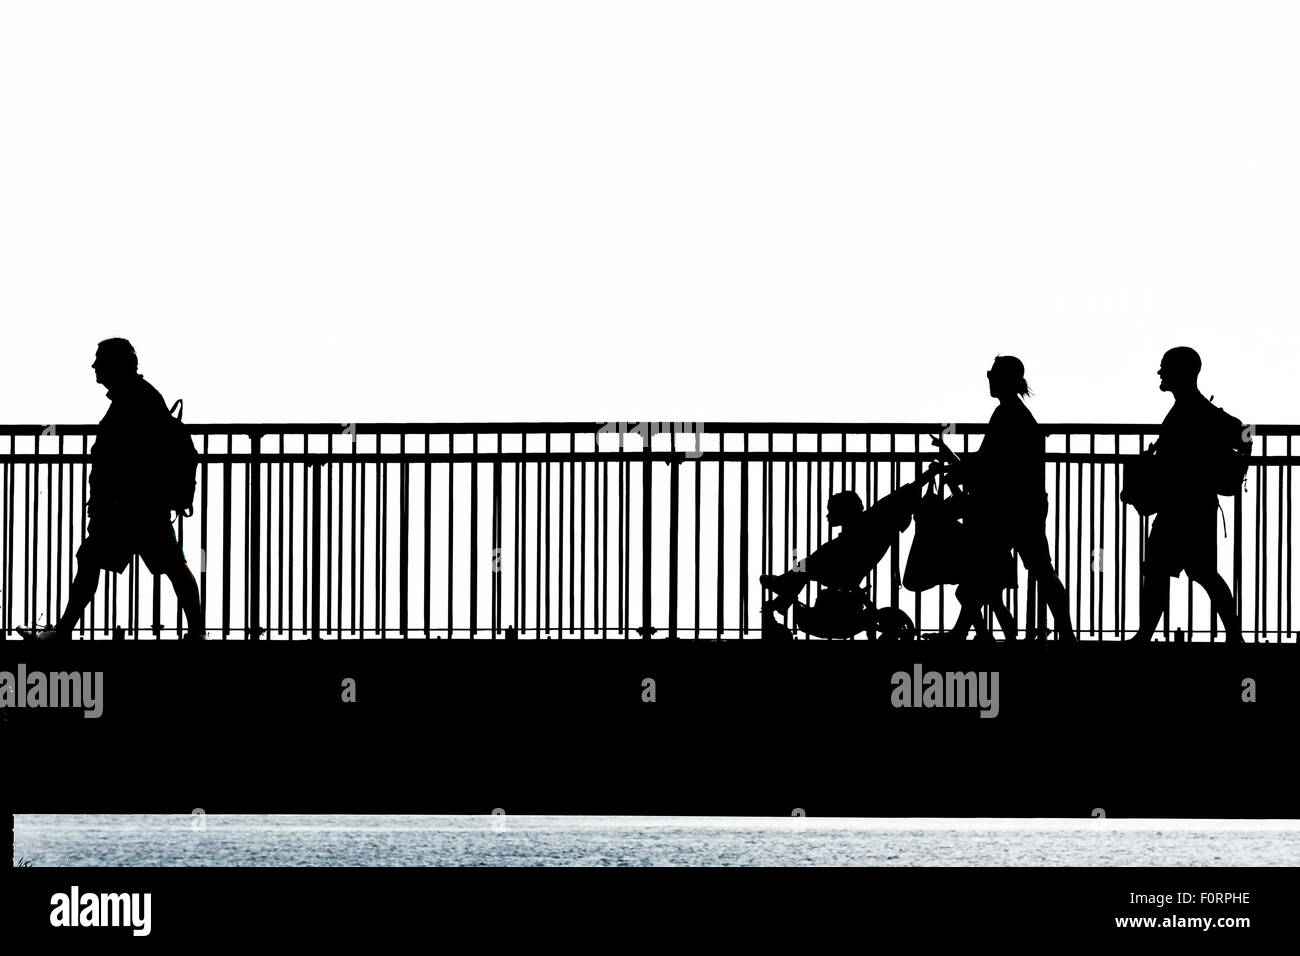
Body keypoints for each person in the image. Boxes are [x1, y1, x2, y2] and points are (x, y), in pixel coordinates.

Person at [20, 338, 205, 641]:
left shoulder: (134, 401)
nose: (95, 366)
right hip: (137, 506)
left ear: (116, 364)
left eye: (100, 360)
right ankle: (197, 631)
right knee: (168, 564)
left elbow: (127, 459)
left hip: (129, 507)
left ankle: (62, 633)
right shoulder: (139, 397)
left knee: (97, 562)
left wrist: (111, 499)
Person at [937, 355, 1076, 643]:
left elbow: (991, 464)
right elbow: (992, 462)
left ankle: (1065, 633)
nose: (988, 379)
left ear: (1003, 379)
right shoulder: (1016, 414)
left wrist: (957, 469)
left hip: (1009, 509)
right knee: (1031, 570)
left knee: (992, 570)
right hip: (1024, 506)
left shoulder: (1006, 415)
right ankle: (1065, 633)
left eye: (992, 374)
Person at [1126, 347, 1243, 644]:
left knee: (1167, 571)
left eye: (1165, 367)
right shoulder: (1196, 408)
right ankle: (1233, 635)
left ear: (1182, 372)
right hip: (1192, 505)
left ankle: (1146, 635)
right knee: (1195, 572)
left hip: (1183, 506)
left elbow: (1244, 430)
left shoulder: (1192, 408)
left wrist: (1231, 469)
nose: (1160, 372)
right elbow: (1246, 432)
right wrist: (1233, 466)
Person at [761, 481, 922, 639]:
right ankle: (784, 595)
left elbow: (899, 496)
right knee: (807, 564)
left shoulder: (864, 527)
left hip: (845, 572)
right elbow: (901, 495)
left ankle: (784, 591)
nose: (828, 515)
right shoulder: (858, 530)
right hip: (844, 570)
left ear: (845, 511)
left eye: (832, 511)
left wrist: (929, 474)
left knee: (807, 565)